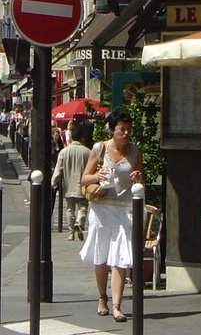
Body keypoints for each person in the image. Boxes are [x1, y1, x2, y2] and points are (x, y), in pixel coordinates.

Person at [80, 107, 144, 323]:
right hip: (102, 207)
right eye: (122, 129)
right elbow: (84, 178)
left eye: (128, 129)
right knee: (102, 255)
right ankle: (102, 298)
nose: (126, 133)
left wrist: (138, 178)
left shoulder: (136, 152)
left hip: (125, 208)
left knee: (121, 257)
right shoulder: (99, 148)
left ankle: (117, 305)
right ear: (112, 130)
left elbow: (141, 183)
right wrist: (96, 175)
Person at [52, 120, 91, 241]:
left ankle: (70, 232)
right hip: (82, 186)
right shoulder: (87, 152)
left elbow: (58, 170)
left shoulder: (64, 152)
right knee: (83, 207)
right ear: (82, 137)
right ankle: (79, 223)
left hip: (68, 185)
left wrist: (53, 182)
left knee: (70, 209)